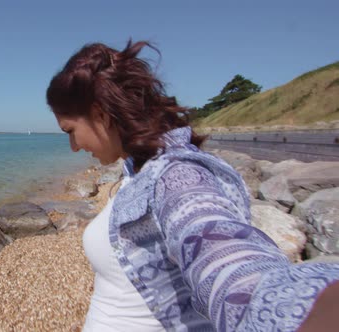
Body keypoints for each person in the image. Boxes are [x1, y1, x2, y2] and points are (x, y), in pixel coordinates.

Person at [46, 40, 339, 331]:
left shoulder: (177, 175)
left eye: (70, 131)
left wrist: (296, 310)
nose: (73, 147)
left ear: (100, 113)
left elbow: (220, 253)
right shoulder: (139, 167)